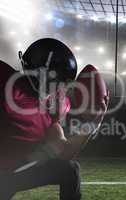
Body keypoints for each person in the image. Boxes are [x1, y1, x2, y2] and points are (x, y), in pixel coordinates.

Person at [0, 38, 109, 200]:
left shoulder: (55, 102)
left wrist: (93, 124)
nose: (61, 87)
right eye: (59, 80)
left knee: (69, 170)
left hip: (15, 173)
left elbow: (63, 152)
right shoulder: (5, 82)